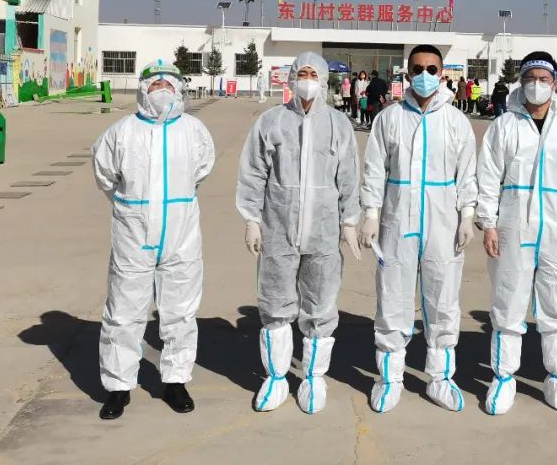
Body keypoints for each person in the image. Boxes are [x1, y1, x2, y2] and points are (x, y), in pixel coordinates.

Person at [236, 52, 361, 415]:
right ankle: (276, 378)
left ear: (323, 80)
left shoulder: (338, 124)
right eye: (301, 73)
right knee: (275, 305)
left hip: (324, 231)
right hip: (278, 227)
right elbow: (253, 172)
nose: (307, 80)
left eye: (313, 74)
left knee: (320, 306)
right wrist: (252, 218)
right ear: (291, 79)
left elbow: (348, 176)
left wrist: (350, 221)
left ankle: (313, 378)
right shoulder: (271, 121)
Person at [92, 62, 216, 420]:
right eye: (155, 84)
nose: (162, 89)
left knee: (180, 310)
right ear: (143, 89)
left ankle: (175, 381)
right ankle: (118, 386)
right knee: (124, 310)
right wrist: (132, 207)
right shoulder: (121, 131)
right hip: (133, 233)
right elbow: (104, 175)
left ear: (179, 90)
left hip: (181, 233)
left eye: (168, 84)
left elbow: (201, 171)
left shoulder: (194, 131)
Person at [359, 45, 478, 413]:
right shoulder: (389, 118)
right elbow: (374, 169)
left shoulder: (456, 121)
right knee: (393, 298)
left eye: (432, 68)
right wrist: (371, 212)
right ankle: (390, 377)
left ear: (442, 74)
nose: (424, 75)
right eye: (418, 68)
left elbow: (467, 173)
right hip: (398, 221)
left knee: (443, 300)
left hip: (443, 223)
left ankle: (440, 378)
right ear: (407, 73)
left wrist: (468, 214)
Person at [477, 51, 557, 416]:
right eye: (530, 78)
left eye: (544, 79)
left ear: (555, 83)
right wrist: (488, 223)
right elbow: (488, 177)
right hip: (514, 225)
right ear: (521, 82)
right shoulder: (504, 126)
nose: (537, 85)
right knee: (508, 303)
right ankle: (504, 377)